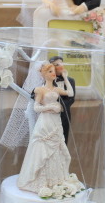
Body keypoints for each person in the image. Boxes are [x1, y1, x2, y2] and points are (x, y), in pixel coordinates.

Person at [16, 62, 76, 193]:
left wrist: (65, 77)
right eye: (50, 71)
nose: (53, 73)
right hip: (45, 121)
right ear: (43, 74)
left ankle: (56, 178)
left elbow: (70, 93)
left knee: (57, 146)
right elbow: (36, 107)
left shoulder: (56, 89)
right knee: (42, 146)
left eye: (54, 71)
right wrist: (50, 107)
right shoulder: (40, 90)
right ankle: (39, 178)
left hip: (55, 121)